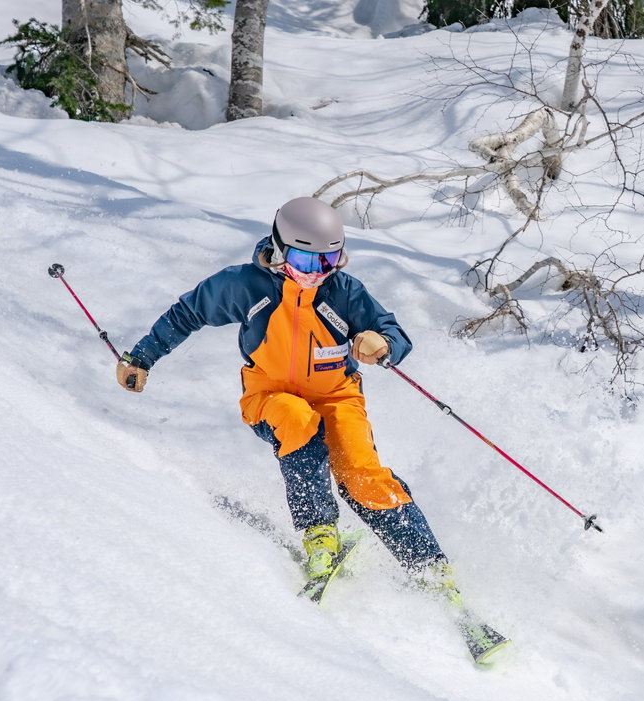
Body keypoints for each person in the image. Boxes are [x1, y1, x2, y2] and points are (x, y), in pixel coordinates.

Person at [116, 197, 459, 600]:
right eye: (306, 261)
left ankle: (430, 567)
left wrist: (382, 342)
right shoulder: (245, 285)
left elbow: (394, 333)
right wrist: (141, 357)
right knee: (296, 420)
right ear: (279, 247)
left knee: (361, 470)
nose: (317, 273)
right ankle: (320, 537)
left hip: (337, 396)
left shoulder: (344, 292)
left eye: (328, 262)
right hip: (269, 395)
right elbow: (187, 313)